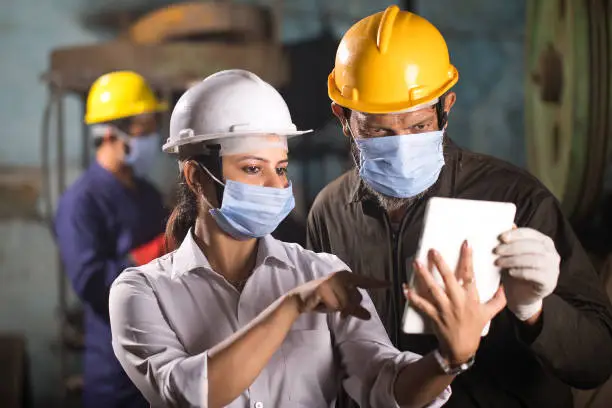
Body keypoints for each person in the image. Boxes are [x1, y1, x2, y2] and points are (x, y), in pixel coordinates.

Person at [107, 69, 507, 408]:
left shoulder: (321, 273)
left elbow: (387, 385)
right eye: (251, 168)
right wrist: (291, 307)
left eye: (280, 168)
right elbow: (189, 393)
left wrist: (449, 358)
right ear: (196, 177)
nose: (276, 185)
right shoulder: (142, 292)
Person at [306, 5, 612, 408]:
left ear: (445, 107)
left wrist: (536, 311)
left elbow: (596, 360)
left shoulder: (515, 199)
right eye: (378, 130)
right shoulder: (330, 212)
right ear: (343, 118)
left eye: (417, 127)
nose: (400, 144)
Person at [54, 71, 169, 408]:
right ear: (110, 132)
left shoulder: (146, 193)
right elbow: (91, 283)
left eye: (152, 125)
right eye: (142, 127)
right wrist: (151, 253)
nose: (151, 136)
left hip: (163, 359)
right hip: (115, 372)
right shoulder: (81, 201)